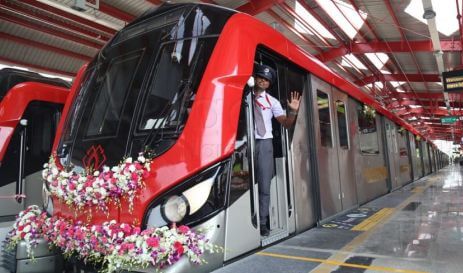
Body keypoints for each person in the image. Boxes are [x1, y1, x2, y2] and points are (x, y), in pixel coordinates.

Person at [252, 64, 301, 236]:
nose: (263, 81)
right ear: (255, 78)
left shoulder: (271, 102)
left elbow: (286, 124)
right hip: (244, 144)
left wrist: (293, 112)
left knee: (264, 184)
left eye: (266, 80)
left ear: (269, 83)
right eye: (260, 77)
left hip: (264, 144)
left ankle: (263, 223)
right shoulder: (244, 97)